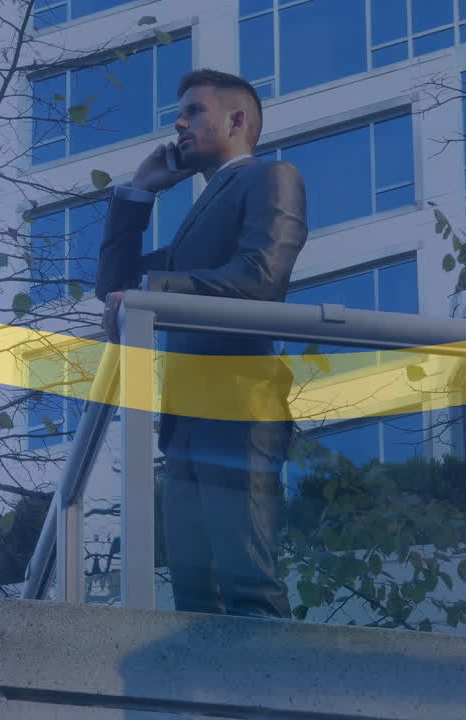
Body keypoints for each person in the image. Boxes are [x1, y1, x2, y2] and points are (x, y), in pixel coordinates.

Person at [96, 69, 308, 618]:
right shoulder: (198, 214)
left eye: (193, 111)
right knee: (194, 600)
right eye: (181, 112)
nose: (179, 122)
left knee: (247, 584)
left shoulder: (272, 176)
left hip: (239, 407)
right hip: (187, 420)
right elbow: (112, 285)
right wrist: (137, 195)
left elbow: (261, 281)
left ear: (236, 120)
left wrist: (150, 292)